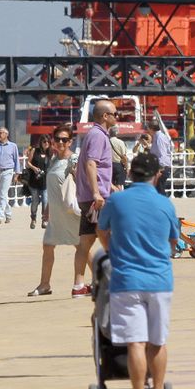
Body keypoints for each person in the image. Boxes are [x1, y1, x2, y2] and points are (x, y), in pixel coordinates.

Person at [96, 153, 181, 389]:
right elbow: (173, 242)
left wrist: (113, 250)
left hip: (126, 280)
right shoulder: (165, 204)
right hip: (159, 279)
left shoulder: (117, 200)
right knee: (158, 341)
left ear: (131, 174)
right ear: (157, 175)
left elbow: (101, 230)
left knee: (135, 342)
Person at [29, 124, 81, 296]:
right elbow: (52, 185)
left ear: (70, 142)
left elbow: (80, 182)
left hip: (69, 211)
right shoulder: (53, 160)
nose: (60, 142)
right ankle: (45, 285)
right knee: (48, 245)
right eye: (57, 139)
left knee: (81, 247)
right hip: (56, 213)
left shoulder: (73, 159)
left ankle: (99, 280)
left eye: (64, 139)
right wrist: (48, 208)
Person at [72, 100, 116, 298]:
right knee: (108, 237)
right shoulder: (99, 136)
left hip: (87, 196)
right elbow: (91, 164)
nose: (118, 116)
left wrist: (109, 186)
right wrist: (98, 192)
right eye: (115, 113)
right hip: (95, 199)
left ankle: (79, 285)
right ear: (104, 116)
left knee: (85, 242)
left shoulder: (93, 134)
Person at [0, 127, 21, 224]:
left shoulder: (13, 146)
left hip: (8, 171)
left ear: (6, 134)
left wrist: (17, 174)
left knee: (2, 193)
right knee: (2, 195)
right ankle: (8, 214)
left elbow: (16, 160)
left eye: (1, 133)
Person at [22, 131, 52, 230]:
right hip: (34, 181)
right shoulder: (35, 150)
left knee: (45, 200)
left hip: (45, 181)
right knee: (35, 200)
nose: (46, 143)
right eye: (44, 141)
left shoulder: (51, 153)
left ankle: (44, 219)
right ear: (41, 142)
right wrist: (35, 169)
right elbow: (28, 163)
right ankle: (33, 218)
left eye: (48, 142)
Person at [146, 118, 174, 195]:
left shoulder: (159, 138)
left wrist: (160, 168)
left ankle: (164, 205)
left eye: (148, 128)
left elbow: (162, 154)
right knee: (158, 189)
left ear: (151, 128)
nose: (147, 130)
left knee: (160, 189)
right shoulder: (158, 137)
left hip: (161, 168)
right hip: (161, 167)